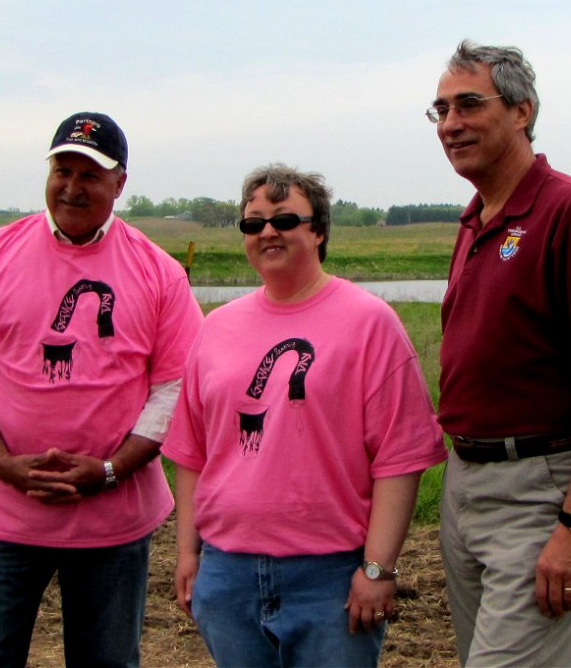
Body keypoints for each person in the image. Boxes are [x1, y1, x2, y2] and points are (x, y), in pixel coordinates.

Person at [0, 111, 204, 668]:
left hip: (113, 523)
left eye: (91, 175)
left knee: (106, 661)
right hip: (5, 515)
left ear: (120, 184)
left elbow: (174, 390)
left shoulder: (159, 272)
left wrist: (109, 471)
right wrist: (7, 467)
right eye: (63, 169)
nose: (72, 187)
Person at [162, 164, 447, 668]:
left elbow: (399, 457)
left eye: (285, 219)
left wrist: (378, 569)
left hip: (330, 579)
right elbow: (192, 453)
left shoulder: (370, 323)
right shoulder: (216, 328)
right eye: (253, 223)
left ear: (318, 231)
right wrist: (189, 555)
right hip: (228, 574)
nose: (267, 231)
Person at [428, 40, 571, 667]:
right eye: (439, 110)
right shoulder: (476, 219)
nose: (450, 124)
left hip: (542, 487)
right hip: (467, 484)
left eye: (470, 104)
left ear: (523, 111)